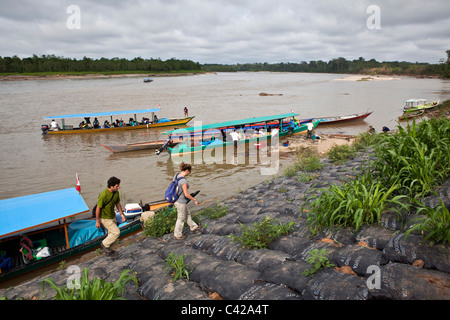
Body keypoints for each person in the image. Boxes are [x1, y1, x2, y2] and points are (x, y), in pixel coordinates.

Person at [95, 176, 125, 255]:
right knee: (116, 232)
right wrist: (97, 221)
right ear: (111, 186)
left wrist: (122, 214)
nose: (118, 187)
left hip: (112, 216)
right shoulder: (104, 195)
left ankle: (109, 250)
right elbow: (98, 208)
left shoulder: (116, 193)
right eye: (117, 186)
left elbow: (117, 203)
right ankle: (104, 244)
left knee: (111, 234)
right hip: (105, 218)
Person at [173, 163, 200, 240]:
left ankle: (193, 226)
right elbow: (186, 194)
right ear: (187, 170)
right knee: (181, 218)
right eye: (190, 171)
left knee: (187, 214)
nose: (189, 173)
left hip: (176, 200)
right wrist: (194, 199)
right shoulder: (183, 181)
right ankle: (177, 234)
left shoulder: (176, 175)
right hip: (181, 202)